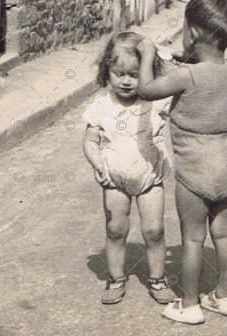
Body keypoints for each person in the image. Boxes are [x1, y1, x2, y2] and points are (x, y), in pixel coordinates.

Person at [137, 0, 227, 325]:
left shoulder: (186, 77)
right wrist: (181, 59)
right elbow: (203, 73)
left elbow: (147, 89)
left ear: (194, 32)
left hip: (195, 167)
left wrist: (147, 55)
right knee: (223, 233)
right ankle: (225, 297)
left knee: (193, 238)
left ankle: (189, 304)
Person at [82, 32, 176, 306]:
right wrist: (98, 163)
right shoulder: (101, 107)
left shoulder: (155, 102)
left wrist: (154, 55)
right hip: (114, 180)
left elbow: (177, 83)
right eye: (118, 73)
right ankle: (116, 278)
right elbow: (90, 142)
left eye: (134, 74)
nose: (125, 81)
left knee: (154, 231)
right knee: (115, 229)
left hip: (150, 178)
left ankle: (157, 278)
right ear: (106, 72)